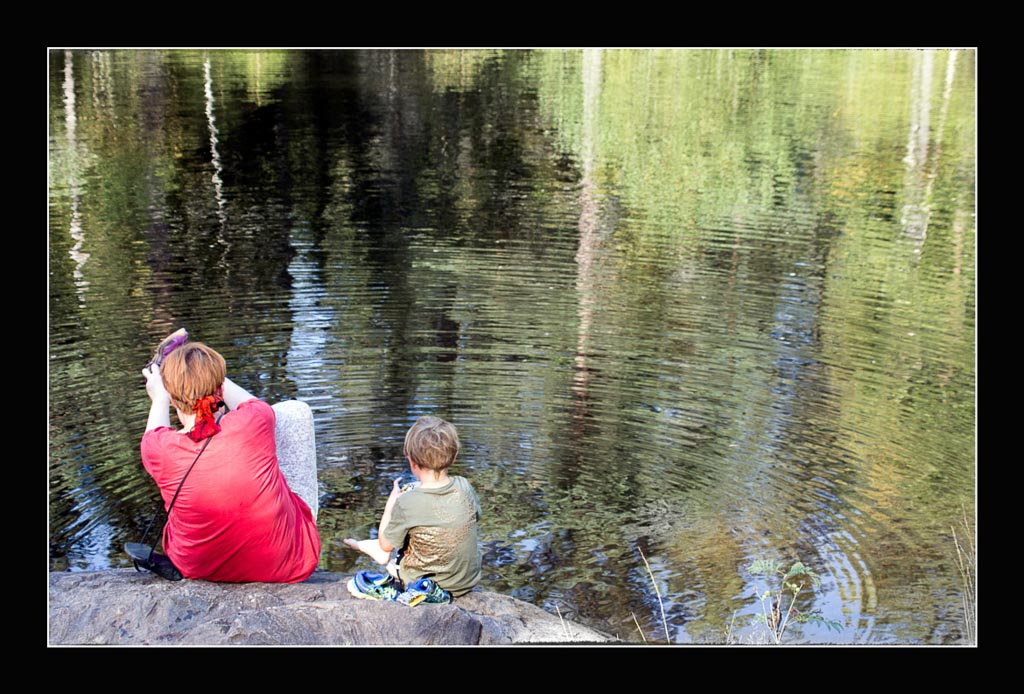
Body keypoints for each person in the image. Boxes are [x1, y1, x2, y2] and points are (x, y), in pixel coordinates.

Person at [139, 339, 321, 583]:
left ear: (171, 398)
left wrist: (160, 396)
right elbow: (247, 401)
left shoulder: (156, 448)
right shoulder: (254, 420)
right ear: (219, 386)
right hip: (286, 563)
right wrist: (206, 369)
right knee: (293, 412)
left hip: (197, 568)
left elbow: (156, 428)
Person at [344, 415, 481, 605]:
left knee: (376, 563)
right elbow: (473, 517)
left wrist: (392, 501)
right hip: (466, 581)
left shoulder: (407, 501)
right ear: (454, 456)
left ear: (411, 462)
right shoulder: (464, 486)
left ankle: (396, 575)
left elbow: (386, 545)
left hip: (427, 584)